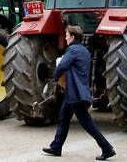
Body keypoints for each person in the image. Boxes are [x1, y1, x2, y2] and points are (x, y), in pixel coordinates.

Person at [42, 24, 116, 159]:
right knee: (63, 117)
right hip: (75, 93)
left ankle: (107, 148)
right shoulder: (84, 51)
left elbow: (62, 65)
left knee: (87, 123)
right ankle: (56, 147)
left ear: (73, 37)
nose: (65, 38)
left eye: (67, 36)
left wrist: (56, 77)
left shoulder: (72, 50)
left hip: (75, 94)